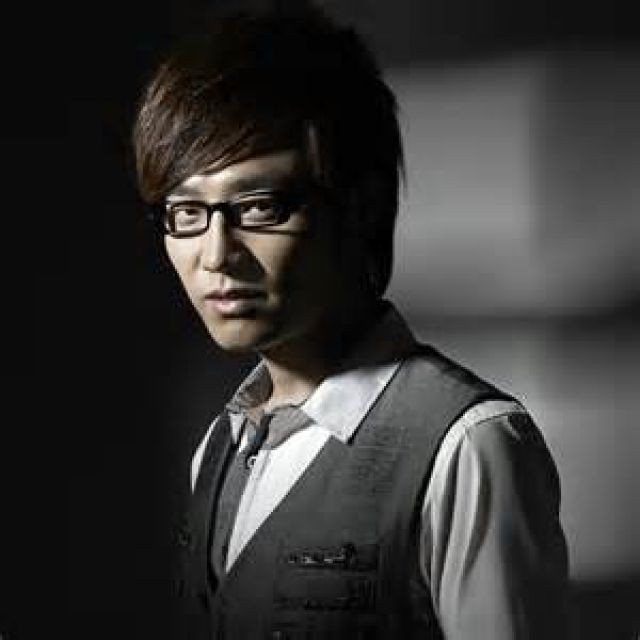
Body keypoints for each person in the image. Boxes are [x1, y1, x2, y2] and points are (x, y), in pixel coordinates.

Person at [132, 7, 570, 638]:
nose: (216, 254)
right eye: (185, 213)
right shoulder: (220, 447)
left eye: (260, 206)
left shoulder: (467, 446)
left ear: (359, 206)